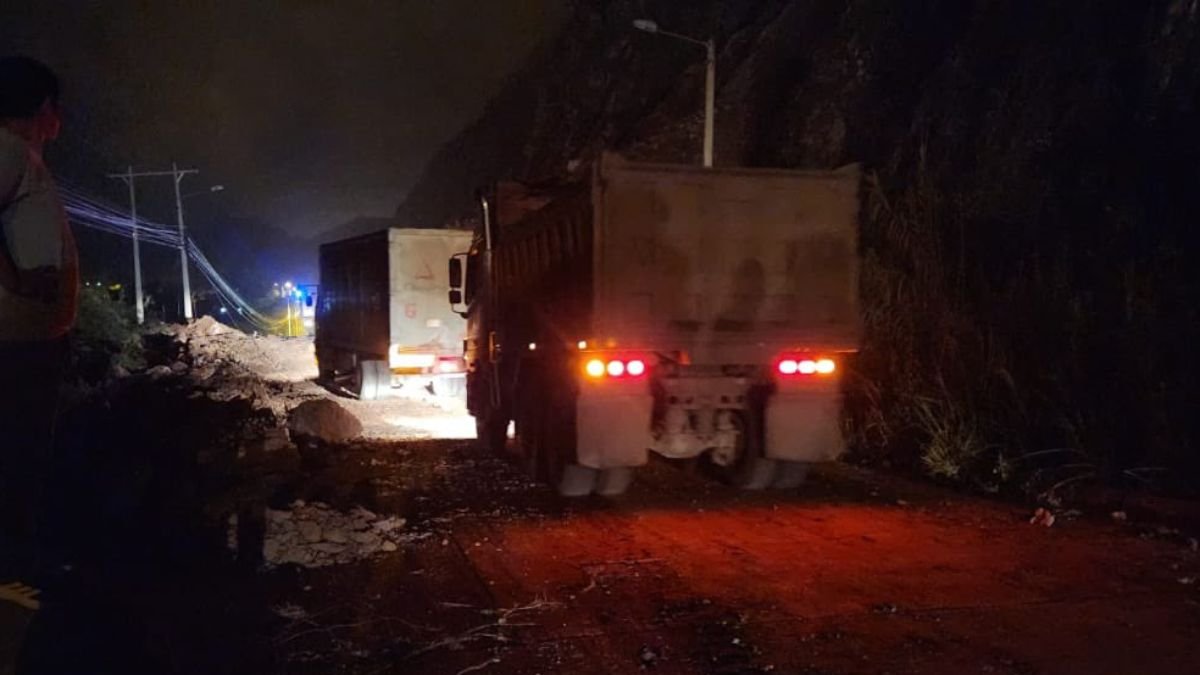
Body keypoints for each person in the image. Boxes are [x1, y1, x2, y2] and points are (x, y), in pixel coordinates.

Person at [0, 56, 78, 584]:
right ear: (44, 107)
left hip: (26, 343)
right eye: (57, 108)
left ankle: (16, 564)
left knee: (23, 456)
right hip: (12, 346)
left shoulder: (19, 155)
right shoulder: (6, 150)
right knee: (15, 457)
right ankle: (12, 574)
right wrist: (18, 281)